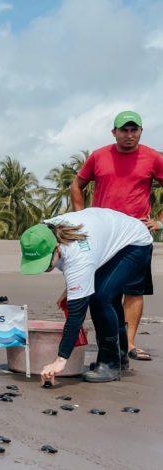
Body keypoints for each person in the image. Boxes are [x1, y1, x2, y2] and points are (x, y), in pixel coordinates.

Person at [20, 208, 153, 383]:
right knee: (107, 295)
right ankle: (120, 356)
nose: (44, 269)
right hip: (110, 236)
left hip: (135, 243)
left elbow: (76, 315)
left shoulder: (78, 255)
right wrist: (70, 290)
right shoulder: (44, 232)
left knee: (101, 298)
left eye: (45, 264)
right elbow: (80, 268)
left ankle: (110, 363)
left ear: (57, 247)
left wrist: (60, 360)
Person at [70, 110, 162, 362]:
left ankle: (129, 344)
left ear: (141, 132)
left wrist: (159, 221)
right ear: (114, 132)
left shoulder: (154, 157)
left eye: (134, 130)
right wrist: (81, 218)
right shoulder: (99, 156)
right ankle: (113, 343)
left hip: (136, 237)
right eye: (124, 130)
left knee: (133, 290)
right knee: (104, 291)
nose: (129, 135)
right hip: (103, 237)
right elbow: (77, 184)